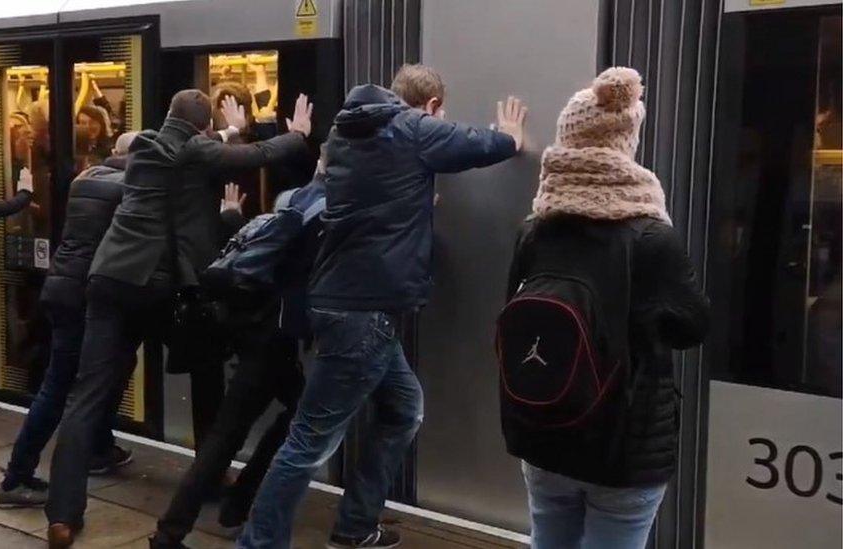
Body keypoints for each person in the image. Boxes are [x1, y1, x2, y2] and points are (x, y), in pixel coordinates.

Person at [237, 64, 528, 549]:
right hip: (363, 310)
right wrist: (512, 138)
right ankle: (260, 543)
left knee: (402, 409)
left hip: (345, 302)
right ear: (431, 106)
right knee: (309, 442)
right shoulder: (411, 128)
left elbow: (373, 198)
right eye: (440, 113)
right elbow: (479, 145)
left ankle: (355, 525)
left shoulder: (347, 133)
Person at [45, 88, 314, 548]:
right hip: (162, 287)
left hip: (109, 279)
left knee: (85, 396)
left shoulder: (146, 146)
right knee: (207, 372)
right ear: (203, 128)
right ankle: (209, 476)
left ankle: (62, 516)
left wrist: (226, 129)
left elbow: (199, 143)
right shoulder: (196, 152)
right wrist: (298, 134)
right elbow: (259, 154)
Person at [501, 67, 709, 549]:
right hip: (624, 442)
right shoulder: (651, 234)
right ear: (625, 143)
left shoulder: (535, 229)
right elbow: (692, 326)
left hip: (545, 428)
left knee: (548, 538)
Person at [149, 146, 330, 549]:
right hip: (273, 334)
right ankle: (173, 530)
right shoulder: (327, 210)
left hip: (258, 329)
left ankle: (233, 504)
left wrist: (232, 217)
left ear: (320, 161)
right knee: (233, 434)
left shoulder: (292, 199)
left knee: (292, 415)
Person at [0, 131, 139, 509]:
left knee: (115, 367)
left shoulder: (87, 179)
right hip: (81, 297)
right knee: (61, 387)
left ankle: (99, 446)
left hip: (63, 288)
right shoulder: (129, 186)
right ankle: (15, 478)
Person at [76, 105, 113, 169]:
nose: (88, 126)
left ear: (101, 125)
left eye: (93, 122)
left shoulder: (110, 148)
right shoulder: (72, 149)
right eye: (83, 123)